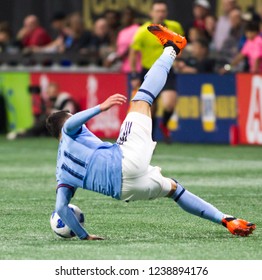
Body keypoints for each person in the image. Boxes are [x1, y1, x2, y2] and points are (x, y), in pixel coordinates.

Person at [46, 24, 256, 240]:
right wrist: (101, 107)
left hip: (127, 191)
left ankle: (226, 220)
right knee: (141, 99)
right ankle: (173, 47)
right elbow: (71, 125)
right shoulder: (69, 130)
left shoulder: (61, 172)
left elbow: (61, 208)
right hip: (124, 162)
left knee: (174, 189)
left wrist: (84, 236)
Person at [129, 0, 184, 142]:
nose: (160, 14)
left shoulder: (174, 26)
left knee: (169, 103)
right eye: (157, 11)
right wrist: (134, 74)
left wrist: (178, 58)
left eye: (163, 11)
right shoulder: (142, 31)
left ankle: (164, 124)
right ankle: (150, 139)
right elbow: (133, 54)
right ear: (151, 13)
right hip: (148, 71)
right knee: (149, 108)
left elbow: (180, 47)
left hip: (167, 70)